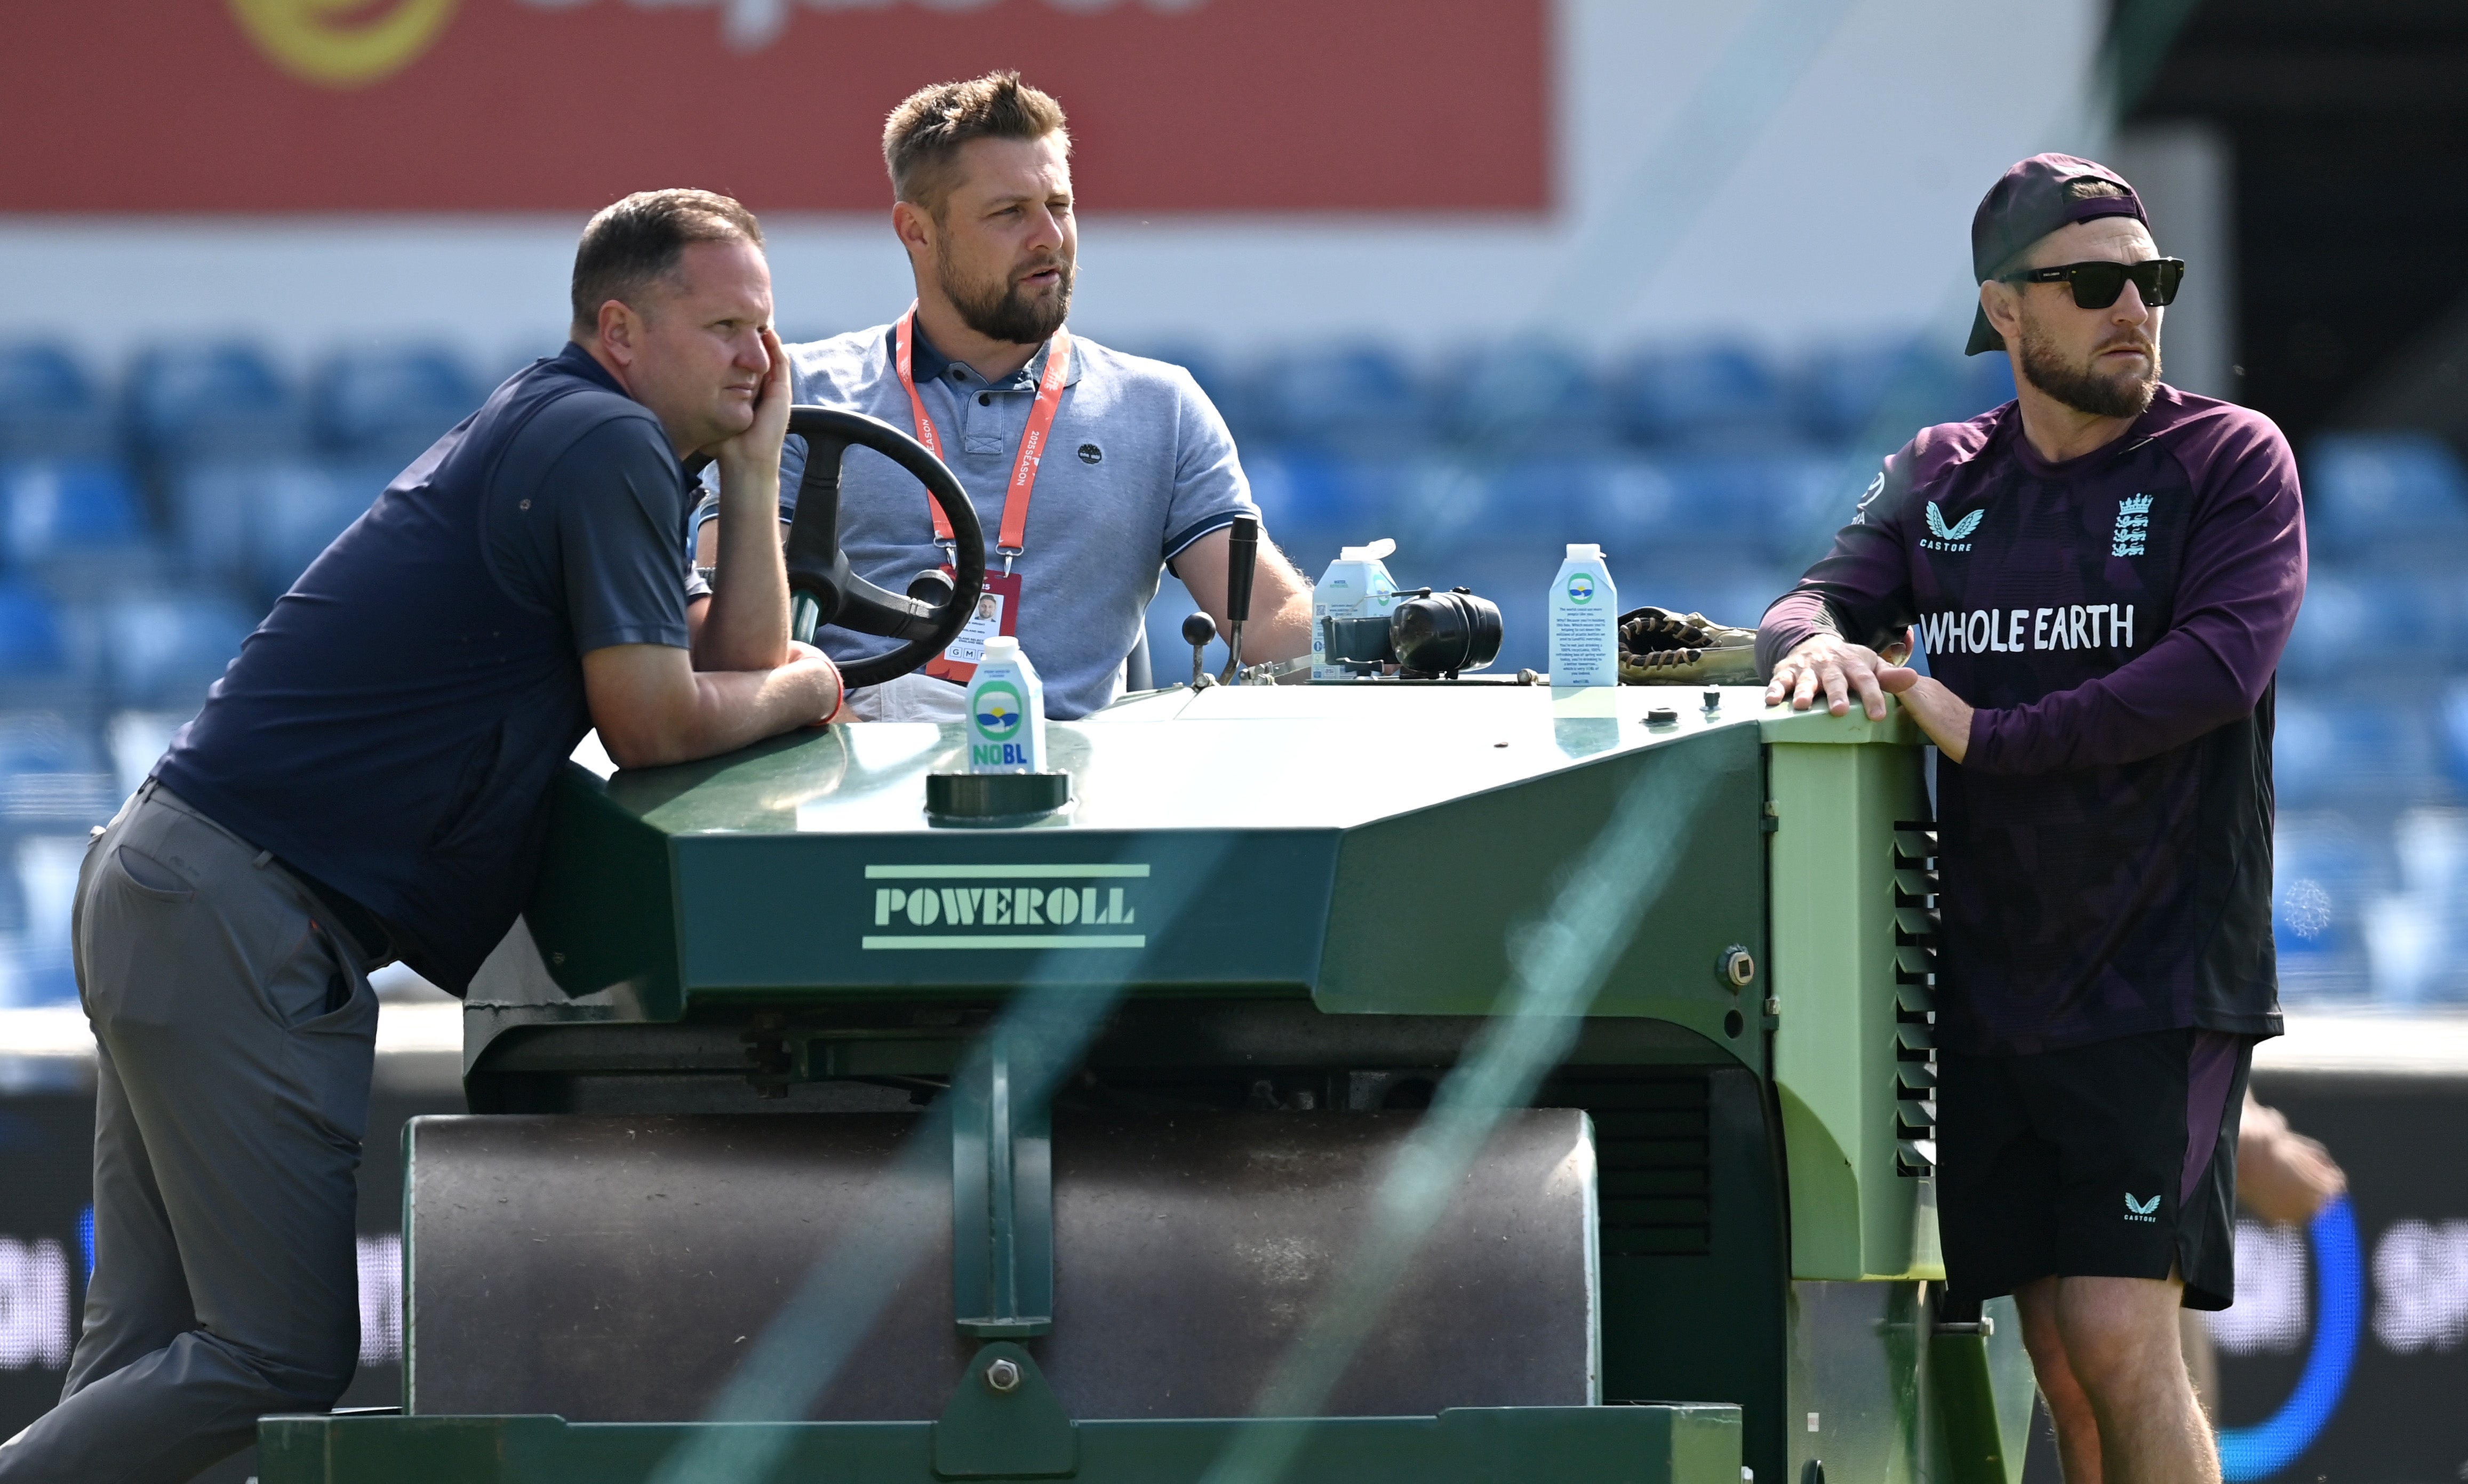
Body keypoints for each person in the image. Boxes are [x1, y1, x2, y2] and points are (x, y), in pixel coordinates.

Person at [0, 189, 839, 1483]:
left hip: (180, 885)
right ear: (621, 330)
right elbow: (662, 723)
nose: (760, 356)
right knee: (279, 1354)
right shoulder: (605, 440)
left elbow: (723, 665)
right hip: (240, 908)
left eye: (765, 326)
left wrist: (752, 471)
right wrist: (815, 686)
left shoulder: (576, 430)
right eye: (725, 325)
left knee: (144, 1353)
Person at [1758, 154, 2304, 1484]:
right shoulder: (1940, 472)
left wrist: (1991, 734)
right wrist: (1817, 645)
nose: (2135, 308)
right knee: (2060, 1355)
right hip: (1995, 983)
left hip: (2161, 973)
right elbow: (1806, 602)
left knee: (2119, 1333)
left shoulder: (2230, 458)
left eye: (2151, 280)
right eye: (2095, 285)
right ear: (2006, 310)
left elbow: (2215, 670)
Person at [694, 71, 1313, 721]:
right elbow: (729, 632)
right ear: (917, 231)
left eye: (1059, 205)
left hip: (1065, 774)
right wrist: (845, 738)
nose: (1050, 236)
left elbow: (1269, 621)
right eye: (1009, 213)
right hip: (841, 753)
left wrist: (1367, 632)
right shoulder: (797, 390)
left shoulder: (1164, 407)